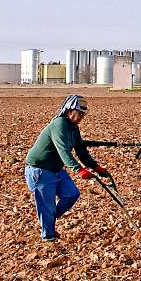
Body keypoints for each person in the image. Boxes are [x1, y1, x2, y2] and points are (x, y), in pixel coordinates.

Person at [24, 95, 108, 241]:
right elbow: (63, 150)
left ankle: (48, 220)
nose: (82, 116)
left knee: (72, 194)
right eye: (80, 113)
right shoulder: (59, 124)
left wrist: (96, 167)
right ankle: (48, 237)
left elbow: (81, 150)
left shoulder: (74, 129)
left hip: (56, 169)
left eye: (83, 114)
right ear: (69, 110)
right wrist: (78, 169)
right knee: (47, 205)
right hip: (40, 170)